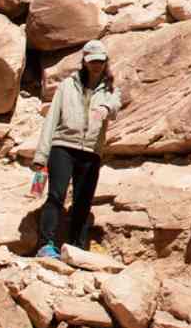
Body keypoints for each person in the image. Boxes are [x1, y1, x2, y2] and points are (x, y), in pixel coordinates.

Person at [30, 40, 122, 259]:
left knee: (83, 200)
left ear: (106, 61)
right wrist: (41, 155)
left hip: (91, 151)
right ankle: (46, 244)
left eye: (101, 61)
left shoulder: (110, 88)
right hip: (63, 146)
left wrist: (105, 107)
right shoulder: (67, 85)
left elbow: (116, 104)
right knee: (56, 195)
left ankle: (76, 247)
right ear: (84, 61)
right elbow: (51, 119)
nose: (97, 65)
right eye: (92, 61)